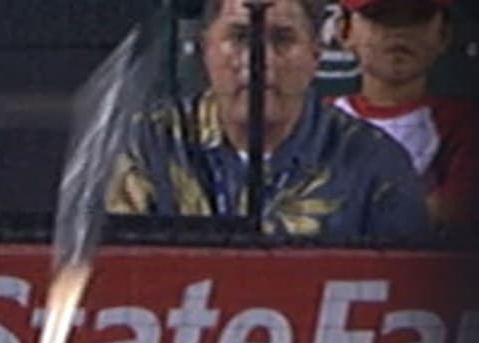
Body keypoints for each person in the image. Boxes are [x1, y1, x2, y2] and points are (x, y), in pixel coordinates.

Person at [108, 0, 430, 242]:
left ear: (315, 55)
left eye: (282, 39)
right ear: (206, 48)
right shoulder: (147, 144)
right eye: (240, 37)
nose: (259, 60)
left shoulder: (373, 162)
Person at [331, 0, 479, 231]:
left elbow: (458, 207)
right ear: (344, 31)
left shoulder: (465, 123)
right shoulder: (313, 118)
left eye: (418, 16)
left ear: (444, 34)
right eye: (380, 16)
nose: (400, 31)